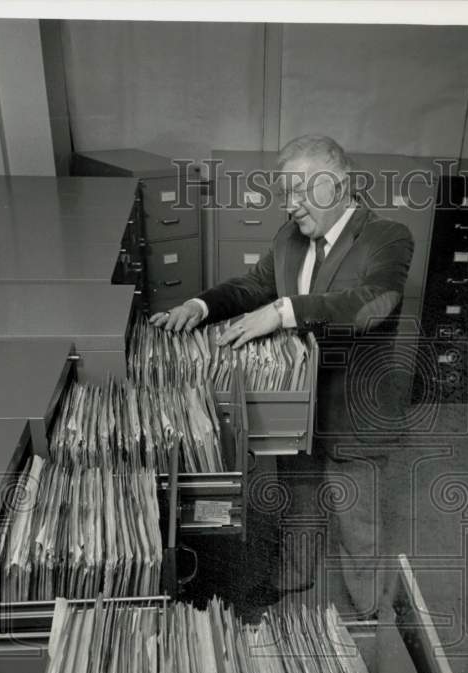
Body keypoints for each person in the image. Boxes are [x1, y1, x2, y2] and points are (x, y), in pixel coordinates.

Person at [150, 134, 414, 615]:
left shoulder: (387, 236)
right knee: (299, 503)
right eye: (284, 193)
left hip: (354, 413)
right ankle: (293, 577)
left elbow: (373, 305)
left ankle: (370, 608)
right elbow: (255, 286)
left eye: (298, 191)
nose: (289, 205)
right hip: (301, 405)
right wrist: (201, 304)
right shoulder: (290, 237)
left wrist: (286, 310)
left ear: (337, 185)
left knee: (357, 519)